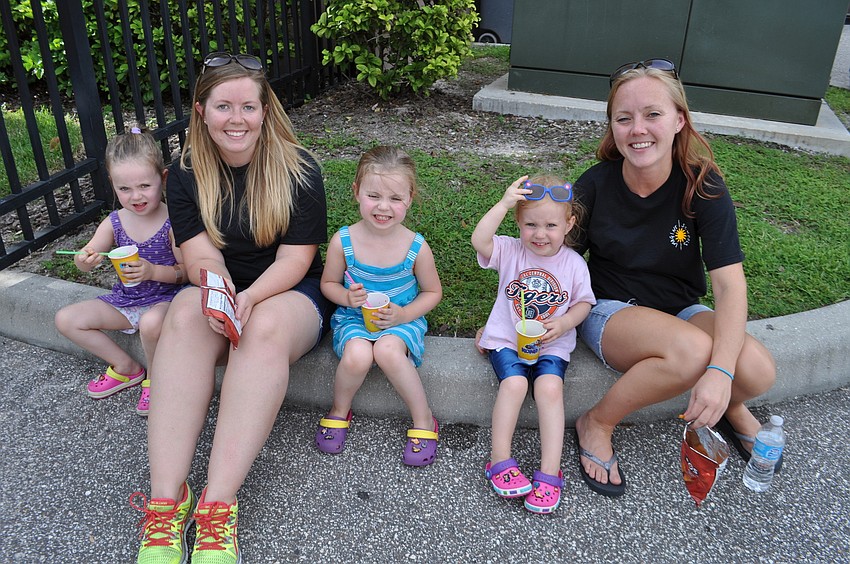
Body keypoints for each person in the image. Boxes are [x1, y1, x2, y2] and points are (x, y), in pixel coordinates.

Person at [129, 52, 332, 564]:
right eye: (223, 106)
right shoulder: (185, 174)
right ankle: (166, 503)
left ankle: (217, 508)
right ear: (201, 111)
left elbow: (296, 260)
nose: (236, 119)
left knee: (262, 328)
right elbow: (199, 253)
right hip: (221, 282)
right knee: (183, 317)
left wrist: (249, 298)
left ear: (265, 110)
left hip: (289, 291)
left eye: (248, 107)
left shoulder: (300, 168)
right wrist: (219, 295)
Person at [572, 58, 777, 498]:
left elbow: (729, 284)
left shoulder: (703, 185)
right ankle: (597, 422)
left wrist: (721, 373)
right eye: (623, 118)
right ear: (612, 126)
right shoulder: (595, 184)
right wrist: (513, 318)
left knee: (757, 370)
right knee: (691, 352)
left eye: (653, 114)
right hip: (610, 309)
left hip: (680, 309)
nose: (637, 129)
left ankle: (728, 404)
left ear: (679, 120)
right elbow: (554, 259)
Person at [472, 173, 595, 514]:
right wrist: (503, 203)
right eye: (531, 225)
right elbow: (480, 240)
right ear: (518, 223)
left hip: (551, 344)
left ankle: (550, 472)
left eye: (551, 225)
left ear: (569, 224)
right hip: (508, 340)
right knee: (514, 384)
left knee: (550, 389)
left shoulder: (573, 263)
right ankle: (499, 460)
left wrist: (565, 322)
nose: (540, 234)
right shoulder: (510, 250)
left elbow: (584, 303)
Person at [317, 145, 443, 466]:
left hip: (402, 318)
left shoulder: (415, 247)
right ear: (356, 192)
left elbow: (432, 292)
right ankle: (339, 410)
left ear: (410, 199)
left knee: (387, 351)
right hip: (354, 318)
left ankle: (424, 419)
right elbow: (328, 284)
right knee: (357, 355)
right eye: (373, 196)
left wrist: (404, 314)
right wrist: (346, 297)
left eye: (395, 198)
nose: (383, 207)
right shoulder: (343, 242)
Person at [54, 127, 184, 416]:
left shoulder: (173, 221)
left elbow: (186, 272)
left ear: (162, 179)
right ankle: (127, 367)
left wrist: (152, 271)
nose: (136, 196)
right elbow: (87, 253)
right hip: (126, 301)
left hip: (166, 300)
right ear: (113, 184)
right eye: (124, 189)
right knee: (67, 319)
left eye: (145, 186)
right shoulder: (114, 222)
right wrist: (84, 260)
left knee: (151, 322)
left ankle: (157, 380)